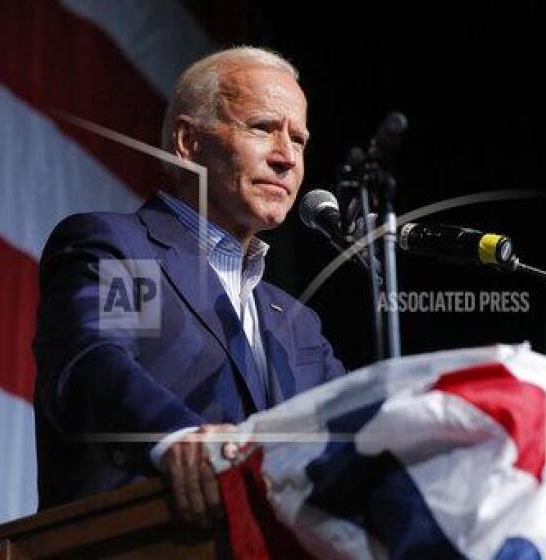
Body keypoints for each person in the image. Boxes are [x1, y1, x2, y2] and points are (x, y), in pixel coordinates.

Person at [33, 47, 345, 527]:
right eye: (263, 127)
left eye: (299, 140)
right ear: (186, 142)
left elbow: (346, 434)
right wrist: (174, 438)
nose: (287, 157)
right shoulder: (130, 252)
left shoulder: (299, 327)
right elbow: (93, 363)